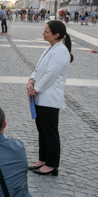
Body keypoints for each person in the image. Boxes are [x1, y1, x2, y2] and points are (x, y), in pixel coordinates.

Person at [27, 20, 73, 176]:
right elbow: (39, 69)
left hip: (49, 98)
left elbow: (50, 74)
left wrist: (36, 89)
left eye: (46, 31)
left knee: (50, 132)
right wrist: (31, 80)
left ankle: (52, 164)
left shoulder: (61, 51)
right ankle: (43, 159)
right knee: (42, 131)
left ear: (57, 34)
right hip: (40, 96)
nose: (43, 33)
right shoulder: (50, 48)